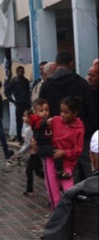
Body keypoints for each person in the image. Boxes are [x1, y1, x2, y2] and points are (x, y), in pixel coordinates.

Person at [39, 51, 97, 183]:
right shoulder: (81, 83)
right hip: (82, 134)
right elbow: (91, 110)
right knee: (89, 166)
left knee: (66, 168)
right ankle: (94, 195)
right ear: (71, 63)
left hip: (57, 136)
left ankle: (69, 196)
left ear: (57, 63)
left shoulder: (47, 85)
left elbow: (41, 111)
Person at [42, 96, 85, 210]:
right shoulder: (55, 120)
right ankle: (58, 219)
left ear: (74, 113)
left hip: (67, 164)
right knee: (54, 194)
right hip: (51, 160)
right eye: (61, 111)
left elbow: (78, 150)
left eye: (66, 112)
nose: (63, 115)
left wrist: (64, 153)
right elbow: (41, 128)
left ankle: (69, 217)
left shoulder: (79, 128)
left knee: (68, 191)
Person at [30, 98, 66, 179]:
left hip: (46, 144)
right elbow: (39, 124)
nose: (45, 112)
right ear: (35, 112)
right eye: (41, 111)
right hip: (41, 146)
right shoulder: (37, 120)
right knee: (56, 151)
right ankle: (59, 171)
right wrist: (46, 122)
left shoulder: (46, 119)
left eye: (46, 110)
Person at [6, 66, 31, 144]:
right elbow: (7, 92)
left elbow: (28, 91)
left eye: (22, 71)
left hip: (26, 103)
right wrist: (13, 101)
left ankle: (29, 137)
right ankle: (19, 138)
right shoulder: (14, 81)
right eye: (19, 71)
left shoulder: (26, 81)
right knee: (19, 122)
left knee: (29, 120)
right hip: (19, 104)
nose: (21, 73)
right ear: (16, 72)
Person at [17, 109, 40, 195]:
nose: (23, 118)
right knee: (31, 170)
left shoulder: (29, 129)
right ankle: (29, 189)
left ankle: (30, 189)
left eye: (25, 116)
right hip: (34, 152)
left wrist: (20, 152)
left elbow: (27, 144)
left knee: (32, 170)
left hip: (34, 153)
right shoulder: (30, 127)